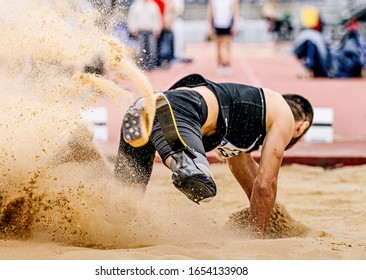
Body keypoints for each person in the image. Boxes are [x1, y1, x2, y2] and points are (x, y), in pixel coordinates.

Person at [114, 73, 314, 238]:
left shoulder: (246, 123)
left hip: (161, 108)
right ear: (301, 127)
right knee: (199, 181)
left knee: (125, 199)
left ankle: (109, 227)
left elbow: (252, 181)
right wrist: (258, 238)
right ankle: (185, 161)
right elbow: (264, 185)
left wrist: (269, 217)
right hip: (181, 109)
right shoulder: (285, 114)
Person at [127, 0, 162, 70]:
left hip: (151, 31)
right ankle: (142, 65)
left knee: (152, 49)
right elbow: (131, 18)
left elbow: (157, 18)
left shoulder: (153, 5)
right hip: (140, 31)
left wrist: (157, 29)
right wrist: (133, 29)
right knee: (141, 49)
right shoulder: (136, 5)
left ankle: (152, 66)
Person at [207, 0, 239, 76]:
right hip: (217, 24)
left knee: (227, 46)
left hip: (228, 24)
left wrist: (235, 25)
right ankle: (220, 65)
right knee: (218, 46)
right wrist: (210, 26)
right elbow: (210, 12)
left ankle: (227, 64)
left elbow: (235, 12)